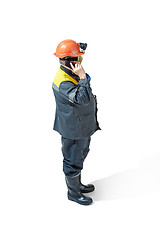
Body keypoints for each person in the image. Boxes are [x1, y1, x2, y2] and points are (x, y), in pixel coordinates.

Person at [52, 39, 100, 205]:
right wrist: (82, 77)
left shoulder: (70, 74)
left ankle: (77, 184)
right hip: (73, 128)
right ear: (69, 61)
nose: (81, 62)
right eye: (78, 59)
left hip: (81, 126)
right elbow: (83, 99)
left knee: (80, 154)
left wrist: (81, 77)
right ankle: (73, 193)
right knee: (73, 158)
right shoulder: (63, 81)